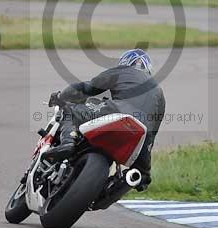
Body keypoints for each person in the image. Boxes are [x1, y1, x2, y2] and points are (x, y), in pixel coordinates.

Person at [45, 49, 166, 191]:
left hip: (118, 112)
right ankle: (124, 183)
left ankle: (67, 143)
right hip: (143, 133)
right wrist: (144, 171)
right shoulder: (159, 92)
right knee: (140, 176)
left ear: (125, 62)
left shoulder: (122, 71)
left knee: (70, 110)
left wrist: (62, 96)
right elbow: (152, 133)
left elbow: (88, 87)